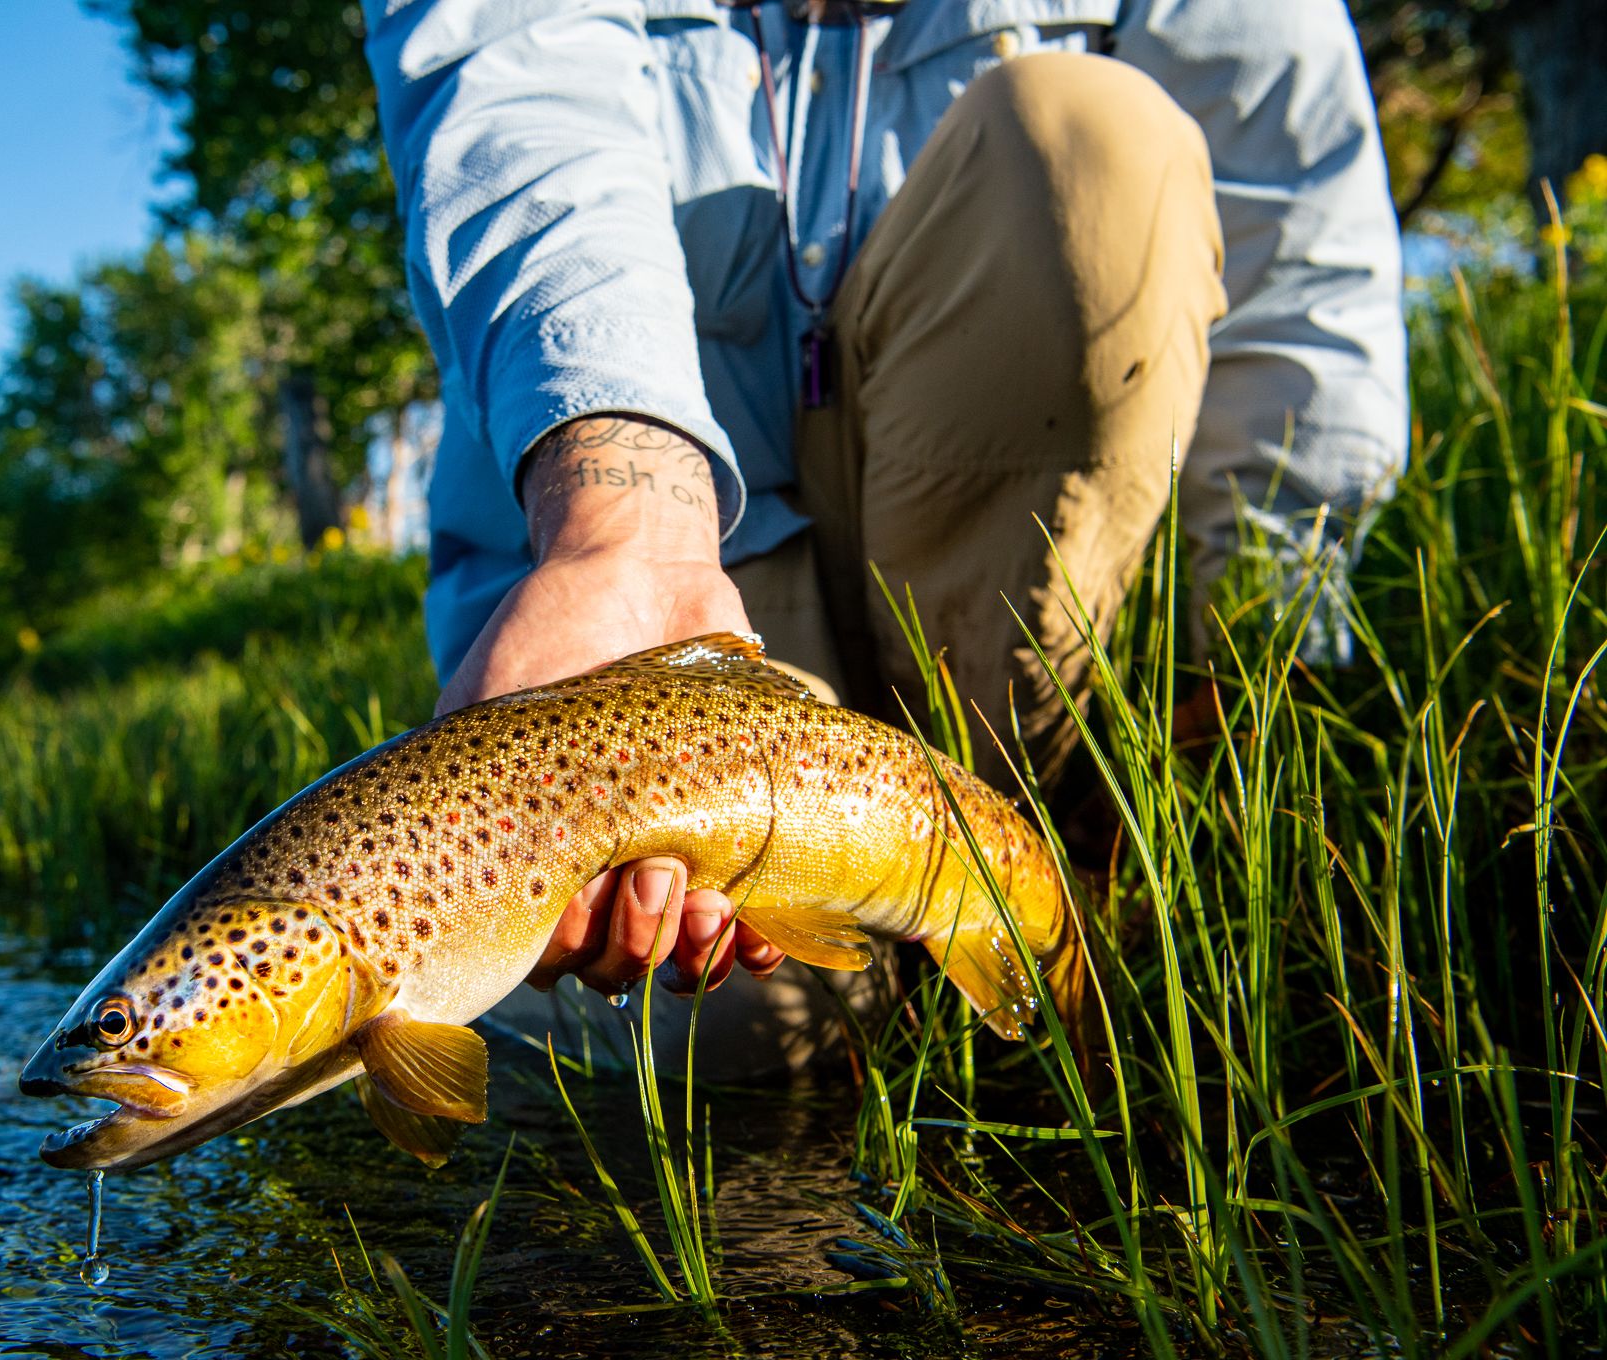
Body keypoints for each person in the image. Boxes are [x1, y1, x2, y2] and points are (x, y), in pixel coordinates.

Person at [361, 0, 1406, 1018]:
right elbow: (516, 93)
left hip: (1027, 633)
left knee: (1090, 139)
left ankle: (1053, 844)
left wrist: (1247, 676)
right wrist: (624, 522)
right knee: (702, 1026)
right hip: (675, 583)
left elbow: (1298, 276)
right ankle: (884, 965)